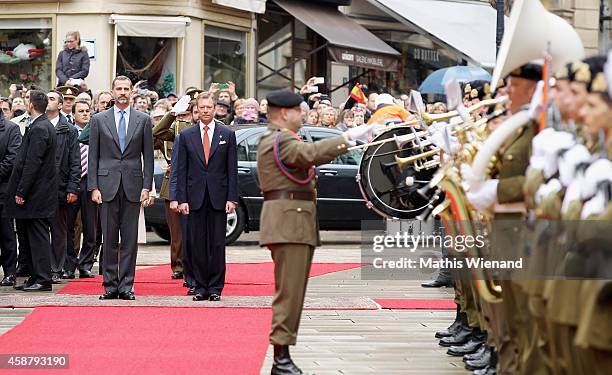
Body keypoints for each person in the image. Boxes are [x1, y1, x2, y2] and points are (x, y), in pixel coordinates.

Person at [256, 89, 374, 374]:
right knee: (290, 292)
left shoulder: (278, 138)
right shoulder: (280, 138)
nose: (303, 114)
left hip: (291, 221)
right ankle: (280, 359)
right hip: (289, 223)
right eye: (299, 110)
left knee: (292, 291)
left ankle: (283, 356)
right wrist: (348, 138)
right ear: (285, 113)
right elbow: (307, 155)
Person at [88, 75, 154, 301]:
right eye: (119, 88)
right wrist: (93, 186)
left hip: (134, 186)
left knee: (129, 239)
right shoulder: (98, 119)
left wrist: (147, 187)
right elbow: (93, 156)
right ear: (113, 91)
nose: (123, 92)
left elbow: (148, 157)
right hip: (106, 186)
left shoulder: (143, 120)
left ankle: (126, 286)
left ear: (131, 92)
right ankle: (109, 285)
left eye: (127, 89)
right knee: (108, 238)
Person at [175, 91, 238, 302]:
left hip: (219, 197)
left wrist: (232, 198)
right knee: (197, 243)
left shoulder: (227, 134)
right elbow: (181, 170)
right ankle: (200, 286)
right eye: (201, 108)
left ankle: (215, 287)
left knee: (217, 244)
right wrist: (181, 199)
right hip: (194, 198)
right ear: (196, 110)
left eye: (209, 108)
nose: (205, 111)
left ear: (214, 109)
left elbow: (232, 170)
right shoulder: (186, 136)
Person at [5, 90, 57, 292]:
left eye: (27, 99)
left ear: (32, 105)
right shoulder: (40, 125)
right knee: (29, 236)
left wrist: (21, 191)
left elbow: (32, 163)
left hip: (37, 194)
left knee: (38, 237)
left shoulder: (40, 128)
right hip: (36, 193)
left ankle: (43, 278)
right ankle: (35, 275)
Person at [152, 95, 193, 282]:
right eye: (181, 115)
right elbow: (155, 134)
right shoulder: (173, 131)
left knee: (194, 228)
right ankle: (178, 265)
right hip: (173, 183)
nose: (184, 119)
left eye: (187, 114)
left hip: (195, 182)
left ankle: (193, 263)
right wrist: (171, 114)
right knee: (176, 231)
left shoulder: (202, 128)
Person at [46, 91, 80, 284]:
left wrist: (72, 188)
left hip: (61, 187)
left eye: (52, 98)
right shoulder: (36, 125)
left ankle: (56, 268)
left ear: (60, 105)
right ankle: (42, 267)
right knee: (41, 230)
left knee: (59, 230)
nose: (48, 101)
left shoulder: (68, 130)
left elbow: (75, 162)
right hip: (41, 189)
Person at [64, 100, 98, 279]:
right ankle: (69, 265)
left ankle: (85, 264)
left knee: (91, 228)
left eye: (87, 111)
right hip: (72, 182)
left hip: (90, 182)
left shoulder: (96, 132)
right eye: (81, 111)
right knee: (68, 226)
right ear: (74, 114)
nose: (85, 114)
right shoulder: (68, 131)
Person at [0, 110, 21, 286]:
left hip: (3, 191)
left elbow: (12, 158)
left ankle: (9, 272)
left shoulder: (11, 129)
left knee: (6, 234)